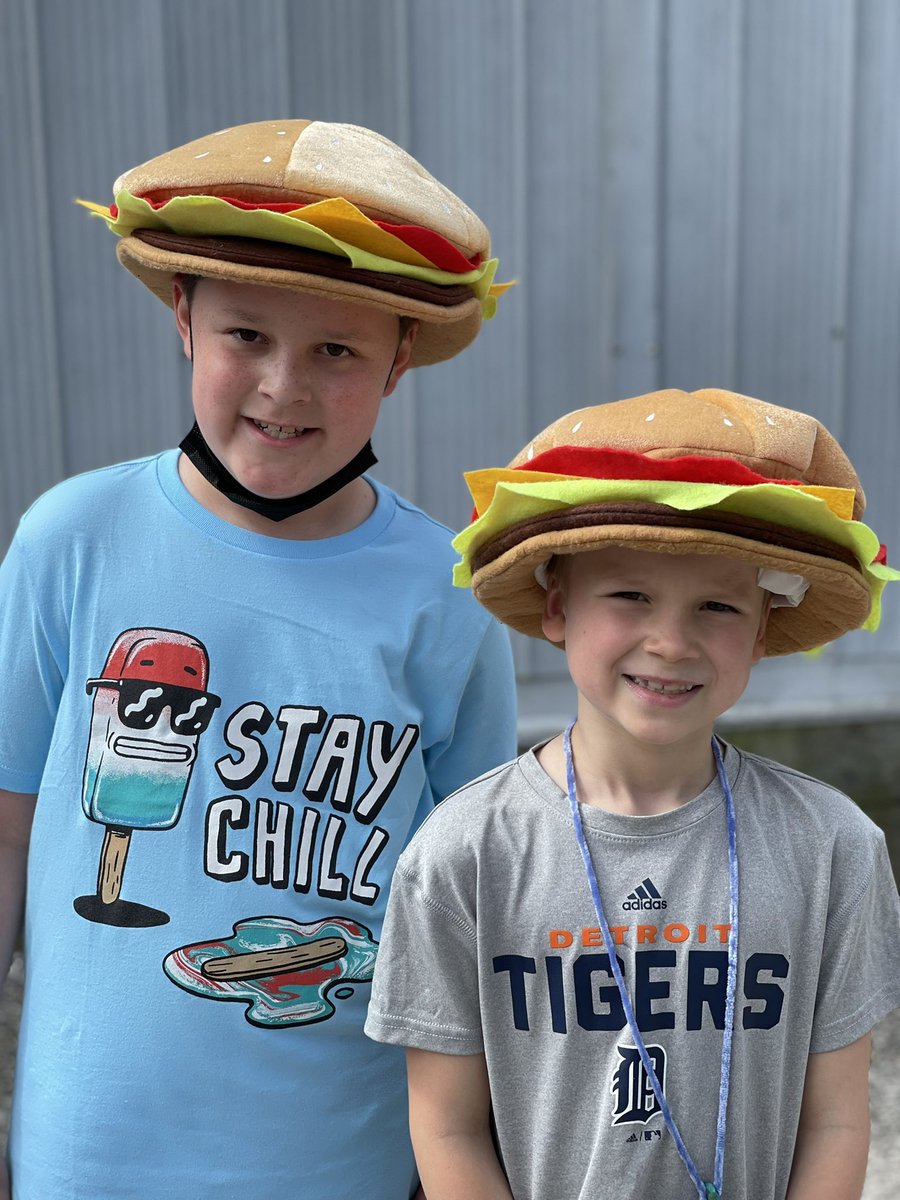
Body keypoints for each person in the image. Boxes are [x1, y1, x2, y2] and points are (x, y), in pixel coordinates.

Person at [0, 118, 517, 1200]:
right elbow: (7, 833)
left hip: (343, 1161)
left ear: (399, 358)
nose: (284, 389)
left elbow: (466, 910)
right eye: (247, 335)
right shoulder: (72, 540)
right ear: (184, 319)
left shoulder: (448, 593)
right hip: (90, 1154)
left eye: (337, 350)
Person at [365, 387, 900, 1200]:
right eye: (630, 595)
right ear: (557, 605)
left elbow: (834, 1121)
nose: (670, 641)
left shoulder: (833, 847)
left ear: (761, 630)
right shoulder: (461, 853)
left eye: (717, 605)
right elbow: (447, 1126)